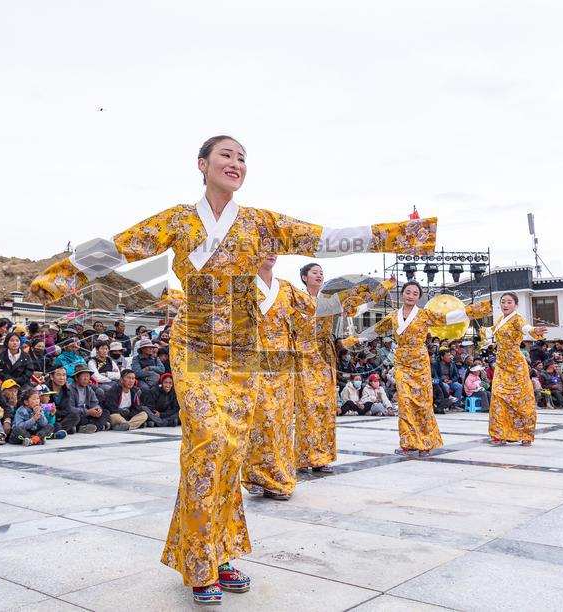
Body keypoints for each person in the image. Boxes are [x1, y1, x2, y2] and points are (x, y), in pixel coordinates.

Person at [29, 134, 435, 601]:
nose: (236, 163)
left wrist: (405, 234)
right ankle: (201, 560)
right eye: (226, 155)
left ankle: (217, 554)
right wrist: (59, 276)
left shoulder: (260, 223)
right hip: (196, 345)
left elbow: (326, 238)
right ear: (201, 164)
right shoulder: (179, 220)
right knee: (208, 442)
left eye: (242, 158)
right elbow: (122, 247)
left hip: (243, 352)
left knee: (229, 452)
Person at [355, 281, 490, 455]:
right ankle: (408, 442)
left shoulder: (424, 314)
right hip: (402, 360)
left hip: (419, 360)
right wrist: (355, 339)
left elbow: (447, 317)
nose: (411, 296)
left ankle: (425, 442)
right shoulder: (393, 316)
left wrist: (476, 310)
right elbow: (375, 330)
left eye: (415, 293)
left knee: (422, 402)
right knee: (405, 402)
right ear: (403, 294)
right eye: (408, 292)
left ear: (419, 297)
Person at [296, 264, 394, 470]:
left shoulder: (330, 301)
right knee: (307, 407)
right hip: (303, 355)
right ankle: (303, 456)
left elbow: (359, 303)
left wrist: (384, 286)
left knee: (325, 406)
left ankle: (321, 458)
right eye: (314, 272)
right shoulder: (295, 298)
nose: (319, 275)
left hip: (324, 354)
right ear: (304, 277)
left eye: (321, 272)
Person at [241, 253, 316, 500]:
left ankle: (279, 475)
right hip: (254, 355)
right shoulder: (242, 284)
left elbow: (310, 307)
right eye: (262, 247)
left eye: (273, 247)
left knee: (282, 419)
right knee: (260, 417)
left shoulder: (286, 287)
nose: (270, 252)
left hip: (283, 359)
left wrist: (318, 289)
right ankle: (255, 474)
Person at [482, 293, 548, 446]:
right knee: (498, 397)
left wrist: (534, 331)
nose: (505, 305)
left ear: (515, 305)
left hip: (516, 365)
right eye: (503, 302)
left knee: (521, 400)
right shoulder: (500, 320)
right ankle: (499, 434)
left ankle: (525, 434)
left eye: (509, 302)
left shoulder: (518, 319)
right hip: (501, 364)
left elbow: (525, 328)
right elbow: (491, 332)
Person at [48, 365, 82, 434]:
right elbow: (44, 408)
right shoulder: (45, 389)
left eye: (64, 375)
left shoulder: (67, 391)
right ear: (51, 377)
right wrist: (54, 411)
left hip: (61, 418)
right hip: (49, 418)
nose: (62, 378)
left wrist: (57, 411)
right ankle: (59, 430)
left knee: (75, 416)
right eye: (58, 375)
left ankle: (57, 430)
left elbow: (68, 409)